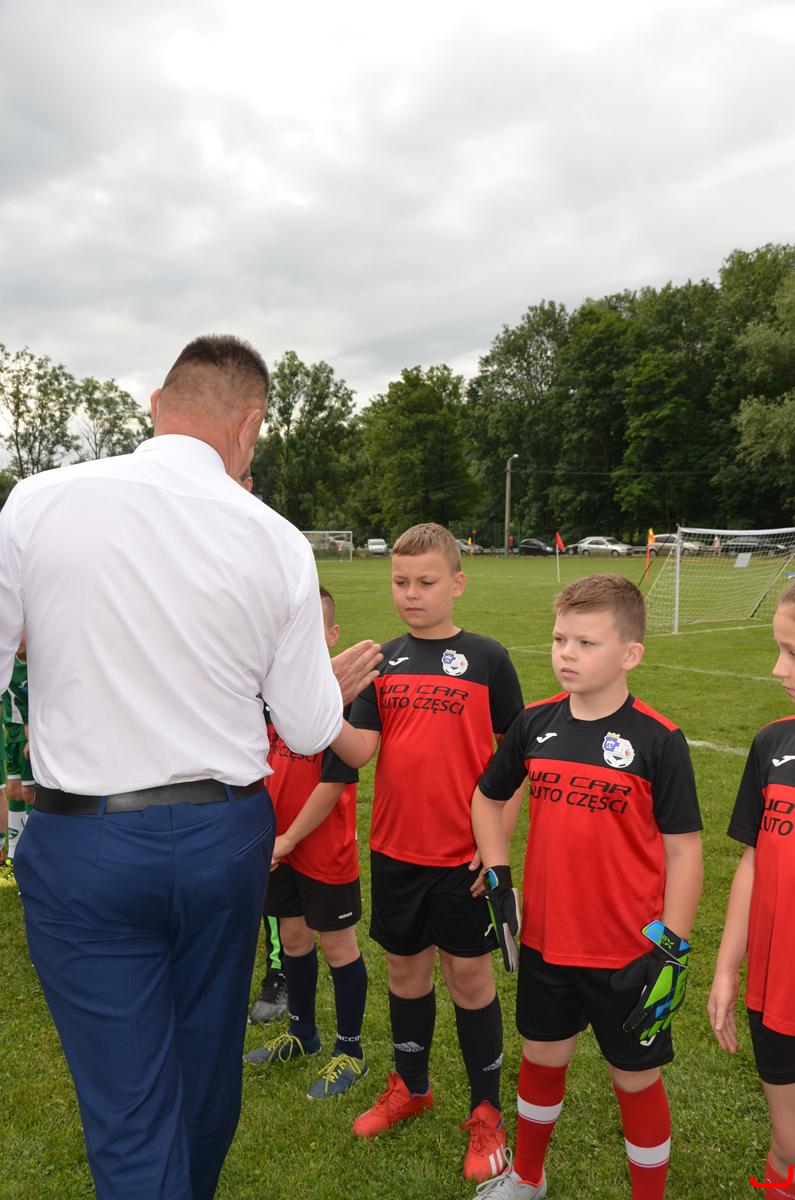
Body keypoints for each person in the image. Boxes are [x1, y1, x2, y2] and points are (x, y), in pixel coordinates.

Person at [0, 334, 381, 1200]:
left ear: (155, 408)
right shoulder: (272, 536)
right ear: (250, 426)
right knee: (205, 1072)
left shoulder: (40, 499)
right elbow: (308, 725)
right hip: (222, 834)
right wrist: (324, 687)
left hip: (86, 835)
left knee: (131, 1107)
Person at [469, 574, 703, 1199]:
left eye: (586, 643)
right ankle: (527, 1177)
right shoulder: (534, 724)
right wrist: (498, 875)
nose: (566, 653)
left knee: (635, 1079)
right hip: (548, 943)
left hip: (628, 953)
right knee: (542, 1059)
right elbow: (487, 799)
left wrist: (672, 949)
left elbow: (684, 850)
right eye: (559, 639)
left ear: (630, 654)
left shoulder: (658, 739)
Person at [331, 522, 525, 1182]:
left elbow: (515, 765)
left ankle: (486, 1111)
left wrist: (494, 850)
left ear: (457, 583)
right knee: (404, 972)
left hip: (463, 858)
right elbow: (360, 751)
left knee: (469, 978)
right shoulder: (383, 661)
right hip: (395, 851)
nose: (411, 594)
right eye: (400, 581)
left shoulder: (488, 658)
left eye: (425, 582)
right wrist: (324, 709)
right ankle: (411, 1086)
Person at [245, 585, 369, 1097]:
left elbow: (335, 781)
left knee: (337, 945)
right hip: (276, 844)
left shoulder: (344, 696)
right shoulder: (267, 692)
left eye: (312, 628)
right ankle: (302, 1034)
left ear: (332, 635)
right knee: (292, 940)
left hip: (319, 846)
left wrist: (289, 838)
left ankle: (350, 1050)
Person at [708, 582, 795, 1197]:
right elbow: (753, 861)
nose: (777, 669)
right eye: (780, 649)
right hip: (776, 984)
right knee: (789, 1138)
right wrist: (726, 968)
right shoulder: (772, 743)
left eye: (793, 653)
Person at [1, 633, 32, 868]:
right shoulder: (7, 663)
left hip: (28, 732)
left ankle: (33, 849)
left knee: (29, 792)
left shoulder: (38, 665)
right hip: (12, 732)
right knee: (13, 790)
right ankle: (13, 851)